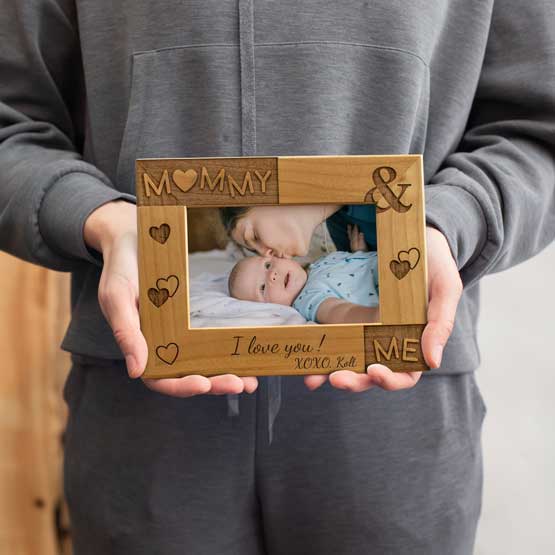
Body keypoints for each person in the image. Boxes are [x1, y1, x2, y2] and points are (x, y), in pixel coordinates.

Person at [0, 1, 553, 553]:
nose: (263, 253)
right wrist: (104, 220)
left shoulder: (341, 249)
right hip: (143, 404)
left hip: (397, 412)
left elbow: (537, 130)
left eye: (254, 246)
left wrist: (440, 225)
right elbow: (12, 124)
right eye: (253, 258)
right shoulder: (318, 276)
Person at [228, 223, 380, 324]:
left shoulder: (319, 264)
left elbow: (352, 276)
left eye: (267, 266)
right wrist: (375, 317)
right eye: (262, 288)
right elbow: (341, 312)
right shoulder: (308, 300)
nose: (272, 275)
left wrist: (359, 254)